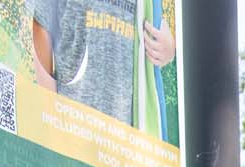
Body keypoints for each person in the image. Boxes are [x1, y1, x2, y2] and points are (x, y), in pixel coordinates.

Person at [29, 1, 175, 134]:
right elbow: (41, 24)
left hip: (129, 136)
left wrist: (170, 48)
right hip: (73, 121)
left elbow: (156, 20)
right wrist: (50, 111)